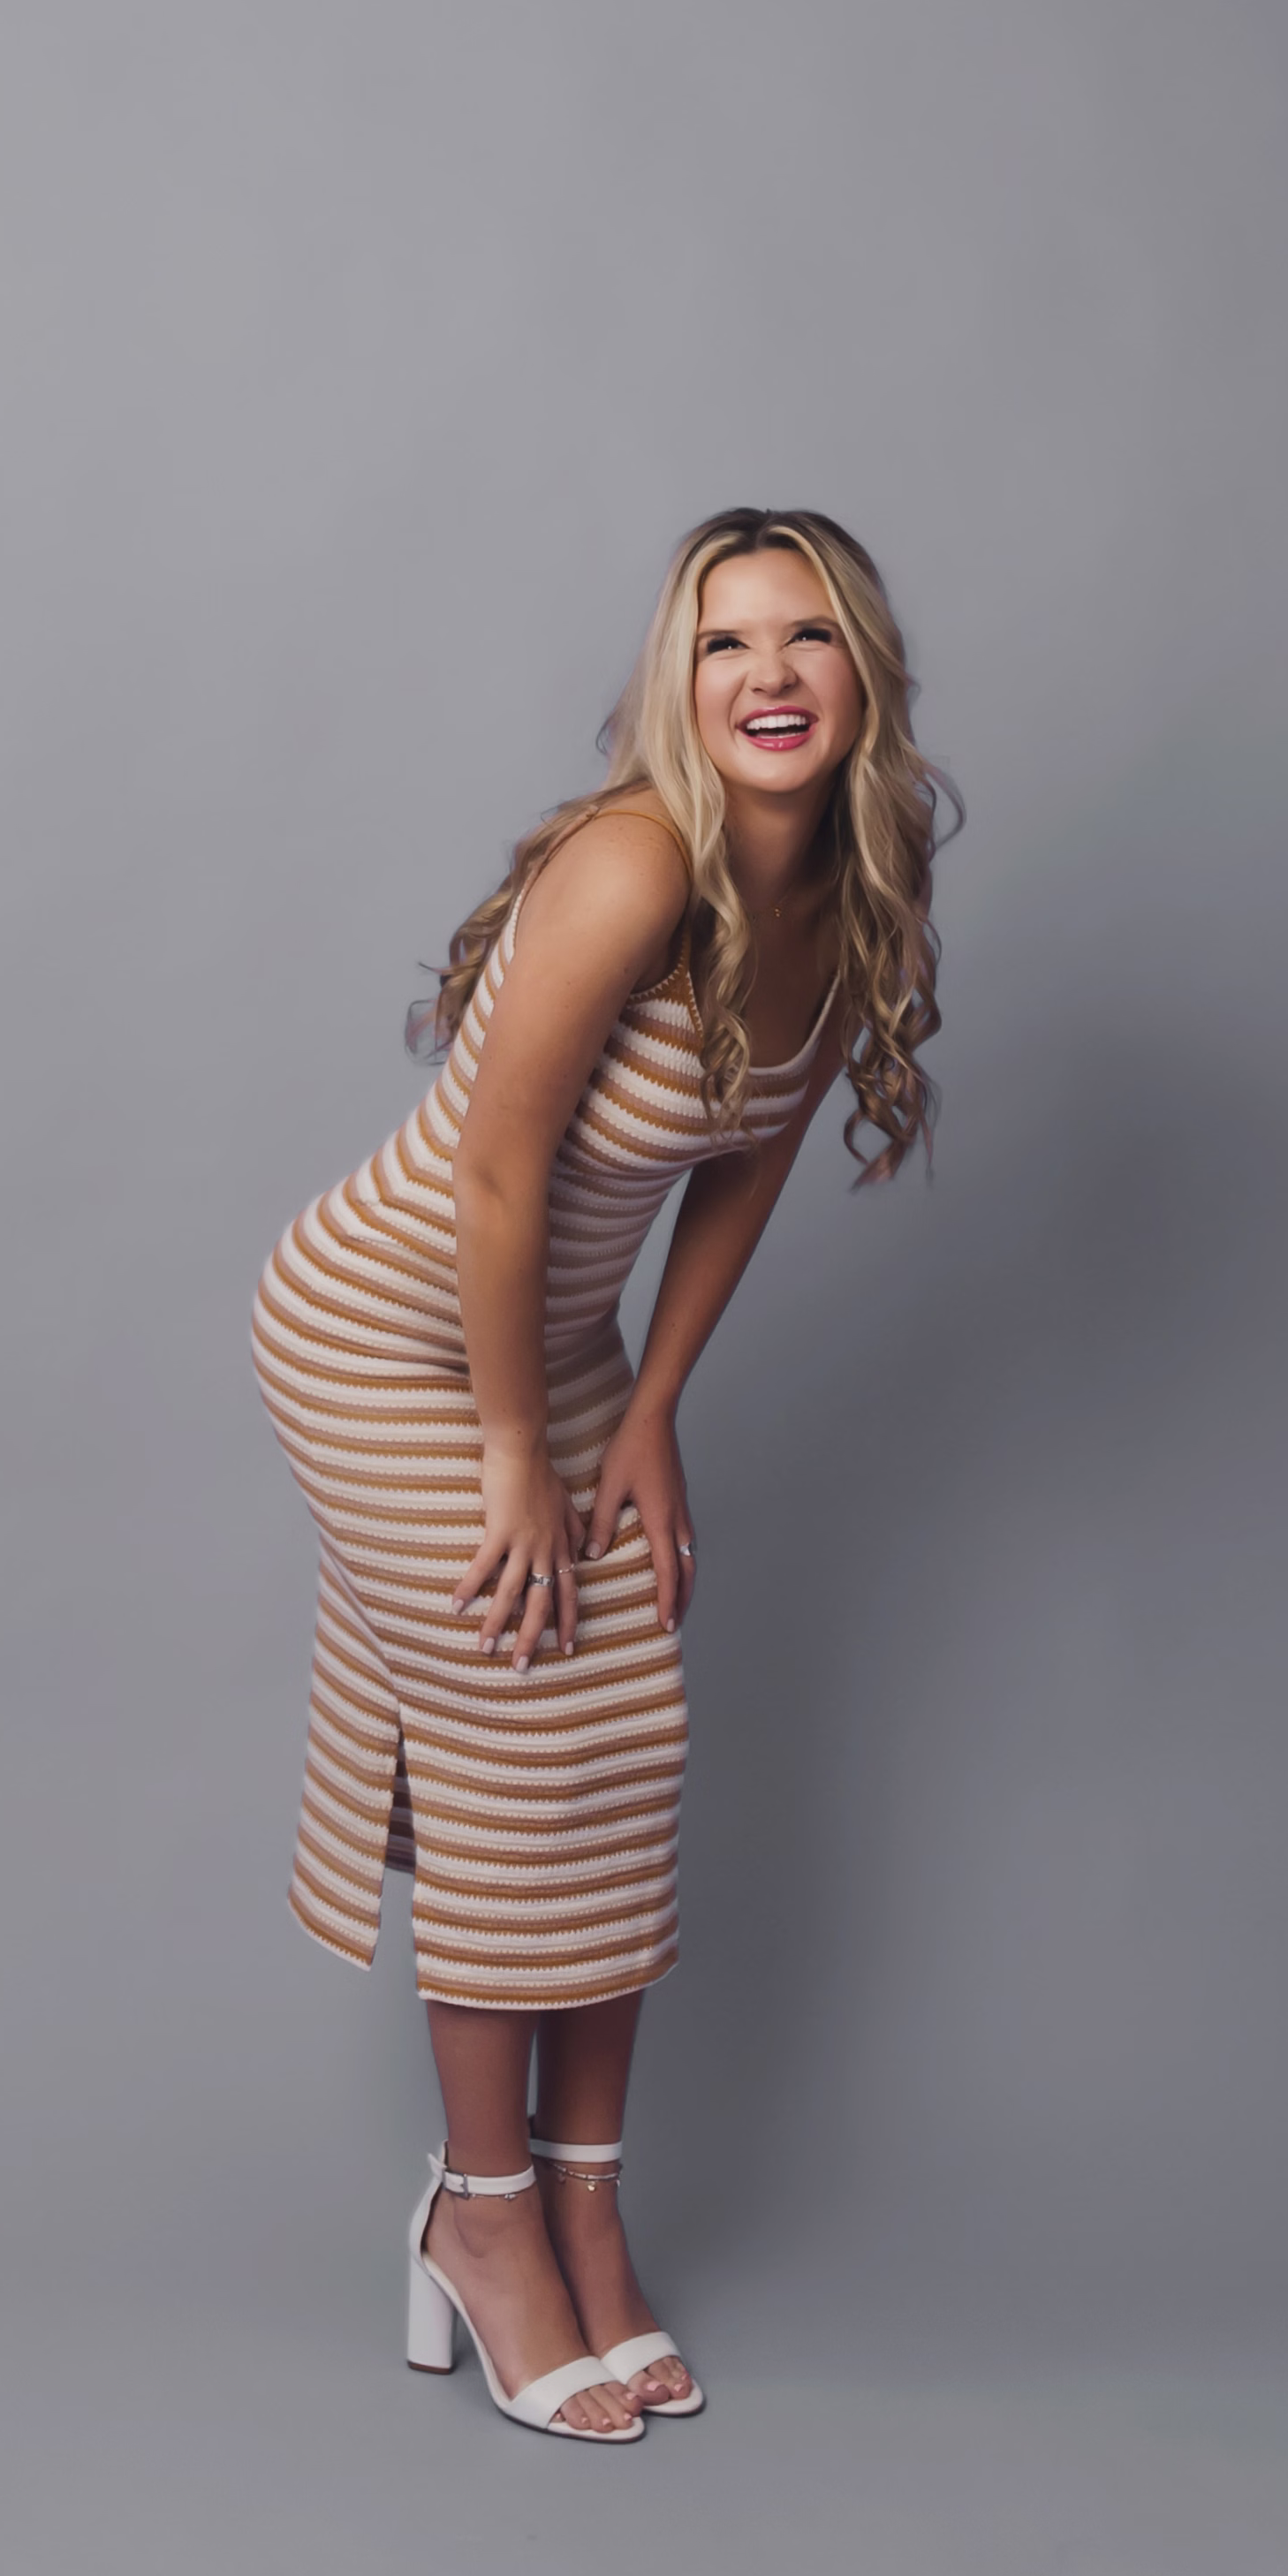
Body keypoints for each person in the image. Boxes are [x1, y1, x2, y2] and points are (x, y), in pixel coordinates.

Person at [251, 507, 951, 2443]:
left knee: (623, 1724)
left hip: (551, 1352)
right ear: (680, 681)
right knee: (514, 1729)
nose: (770, 677)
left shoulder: (851, 892)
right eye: (725, 644)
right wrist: (511, 1452)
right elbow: (494, 1169)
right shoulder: (635, 861)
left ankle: (585, 2198)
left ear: (863, 670)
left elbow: (750, 1155)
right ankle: (482, 2220)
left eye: (806, 636)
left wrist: (644, 1410)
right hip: (383, 1332)